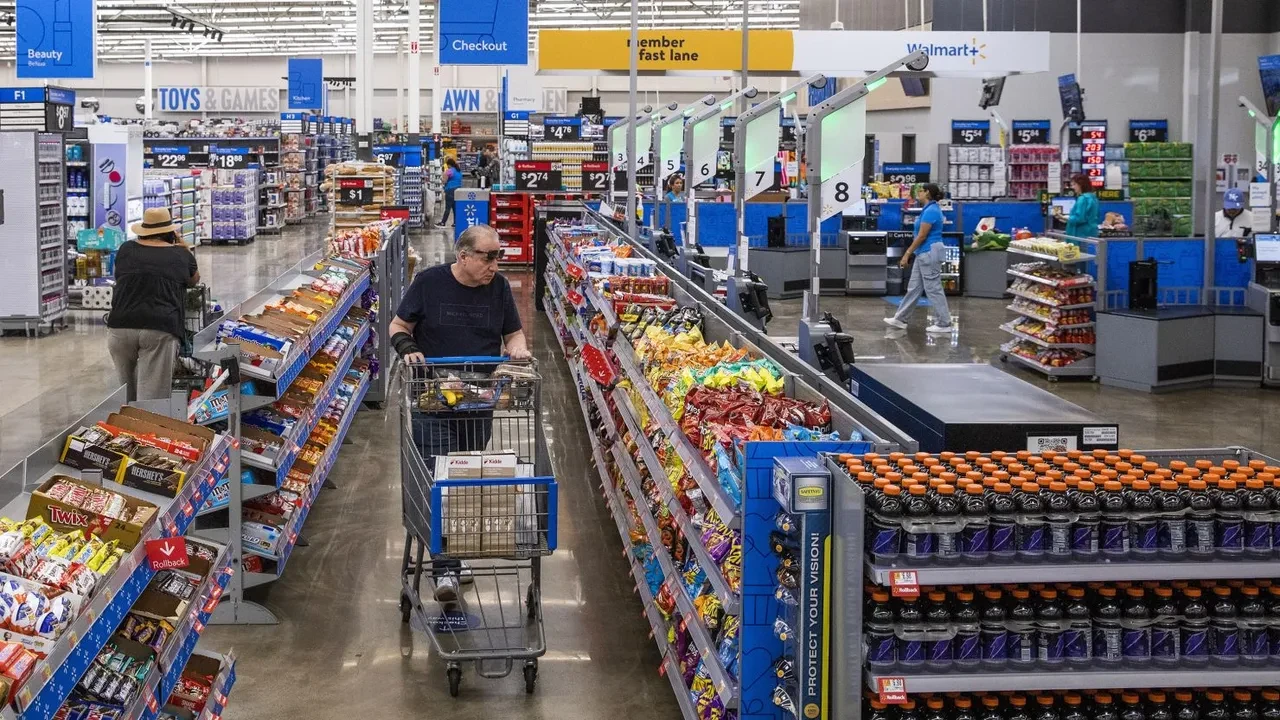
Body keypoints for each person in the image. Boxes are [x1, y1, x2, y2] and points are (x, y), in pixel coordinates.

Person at [389, 225, 531, 603]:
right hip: (432, 399)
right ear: (463, 256)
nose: (495, 264)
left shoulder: (498, 289)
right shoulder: (429, 283)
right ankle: (445, 570)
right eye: (489, 256)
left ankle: (451, 554)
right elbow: (398, 326)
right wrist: (408, 349)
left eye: (499, 255)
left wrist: (517, 350)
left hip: (478, 404)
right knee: (441, 478)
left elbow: (513, 334)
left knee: (465, 480)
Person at [106, 208, 200, 401]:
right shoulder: (181, 256)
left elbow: (121, 275)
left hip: (121, 326)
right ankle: (145, 427)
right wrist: (183, 245)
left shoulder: (126, 249)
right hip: (159, 328)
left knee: (125, 393)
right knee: (151, 397)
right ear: (170, 232)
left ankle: (125, 427)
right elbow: (194, 280)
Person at [884, 184, 953, 334]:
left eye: (921, 191)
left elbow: (922, 236)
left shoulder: (932, 211)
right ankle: (900, 318)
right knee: (914, 287)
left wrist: (907, 253)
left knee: (933, 288)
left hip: (929, 252)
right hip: (924, 253)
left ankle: (944, 323)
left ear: (927, 193)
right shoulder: (928, 209)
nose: (918, 193)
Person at [1064, 174, 1101, 239]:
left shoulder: (1083, 199)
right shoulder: (1093, 197)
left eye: (1074, 184)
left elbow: (1079, 218)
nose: (1072, 187)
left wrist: (1064, 218)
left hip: (1080, 234)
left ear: (1081, 185)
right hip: (1091, 233)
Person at [439, 156, 462, 226]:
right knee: (455, 207)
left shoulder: (449, 171)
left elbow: (444, 181)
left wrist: (441, 178)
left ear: (449, 165)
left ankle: (443, 222)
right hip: (458, 190)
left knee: (448, 207)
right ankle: (455, 222)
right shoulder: (458, 170)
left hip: (450, 190)